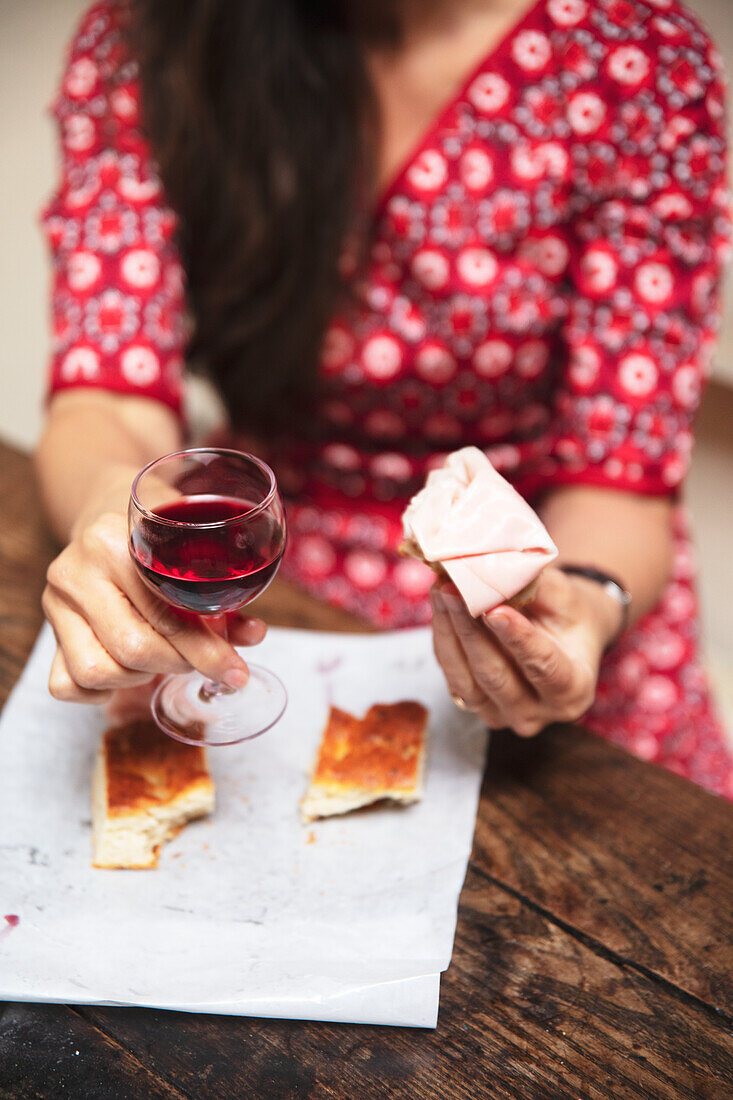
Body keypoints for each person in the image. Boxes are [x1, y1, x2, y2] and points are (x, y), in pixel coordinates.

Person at [36, 0, 733, 799]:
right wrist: (105, 503)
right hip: (282, 580)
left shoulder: (635, 60)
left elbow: (620, 483)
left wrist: (586, 604)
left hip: (550, 576)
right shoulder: (149, 38)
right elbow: (108, 400)